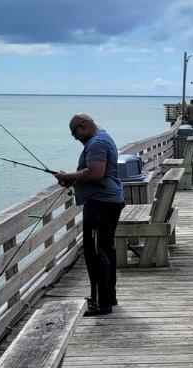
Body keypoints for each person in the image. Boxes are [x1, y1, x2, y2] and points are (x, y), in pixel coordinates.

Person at [54, 113, 124, 317]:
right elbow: (93, 172)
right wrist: (72, 179)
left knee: (96, 253)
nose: (75, 138)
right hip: (109, 201)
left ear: (83, 125)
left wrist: (67, 176)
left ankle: (102, 304)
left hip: (101, 203)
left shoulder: (96, 143)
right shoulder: (104, 138)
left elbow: (95, 173)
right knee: (105, 250)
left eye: (75, 133)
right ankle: (107, 296)